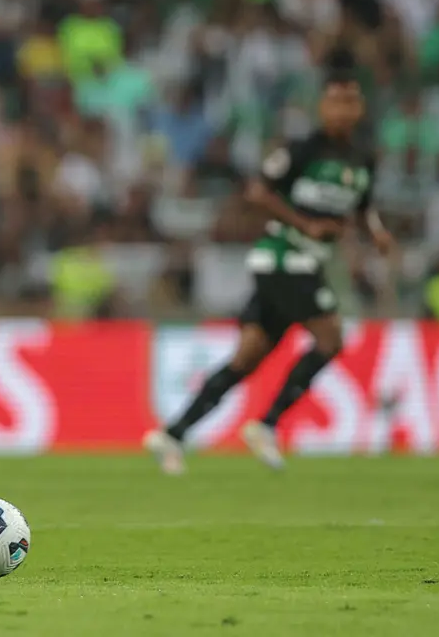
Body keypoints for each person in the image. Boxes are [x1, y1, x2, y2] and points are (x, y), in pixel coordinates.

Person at [144, 50, 394, 475]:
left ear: (360, 106)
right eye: (336, 101)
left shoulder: (362, 157)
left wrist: (377, 232)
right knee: (331, 338)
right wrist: (305, 224)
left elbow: (363, 207)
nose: (343, 110)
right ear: (322, 105)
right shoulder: (304, 149)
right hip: (282, 257)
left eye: (351, 101)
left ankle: (173, 433)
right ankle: (267, 423)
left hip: (306, 262)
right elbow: (258, 192)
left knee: (247, 357)